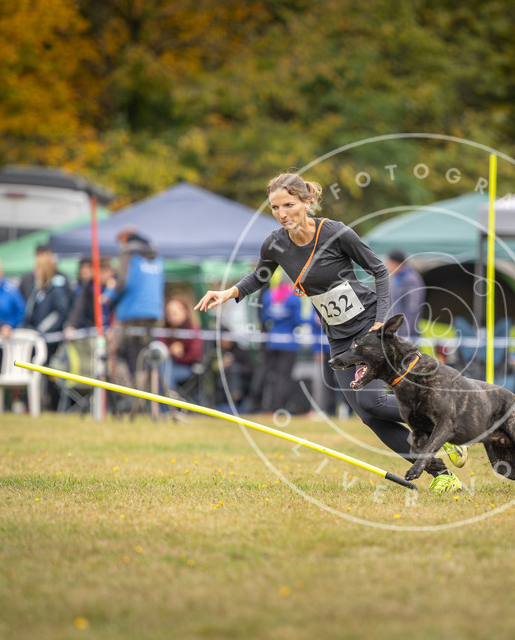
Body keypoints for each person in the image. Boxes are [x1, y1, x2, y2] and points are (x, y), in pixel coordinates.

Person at [195, 171, 465, 492]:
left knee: (373, 404)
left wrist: (380, 321)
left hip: (367, 326)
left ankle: (440, 418)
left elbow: (379, 270)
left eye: (289, 205)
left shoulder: (335, 233)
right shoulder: (276, 244)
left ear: (306, 202)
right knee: (369, 416)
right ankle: (442, 474)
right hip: (338, 338)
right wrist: (229, 293)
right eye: (275, 208)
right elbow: (260, 276)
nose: (282, 214)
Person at [109, 227, 164, 389]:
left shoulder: (127, 253)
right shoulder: (157, 257)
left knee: (118, 354)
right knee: (143, 358)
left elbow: (121, 283)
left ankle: (129, 397)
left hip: (130, 314)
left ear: (125, 239)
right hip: (153, 314)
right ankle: (143, 400)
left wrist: (108, 297)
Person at [258, 278, 303, 412]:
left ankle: (266, 405)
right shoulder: (294, 297)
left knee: (270, 375)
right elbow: (298, 320)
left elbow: (264, 318)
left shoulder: (269, 295)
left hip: (272, 341)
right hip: (288, 344)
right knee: (284, 377)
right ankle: (279, 406)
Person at [158, 296, 204, 393]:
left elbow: (195, 354)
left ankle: (167, 401)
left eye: (175, 313)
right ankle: (168, 400)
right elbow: (159, 347)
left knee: (164, 374)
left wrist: (179, 356)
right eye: (168, 313)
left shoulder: (193, 330)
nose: (171, 317)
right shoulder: (164, 330)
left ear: (185, 311)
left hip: (187, 368)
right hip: (167, 368)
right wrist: (171, 351)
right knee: (163, 367)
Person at [384, 250, 425, 340]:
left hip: (408, 332)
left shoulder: (411, 280)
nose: (387, 265)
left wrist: (406, 334)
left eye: (389, 262)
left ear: (396, 263)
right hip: (397, 328)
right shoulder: (396, 278)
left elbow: (413, 308)